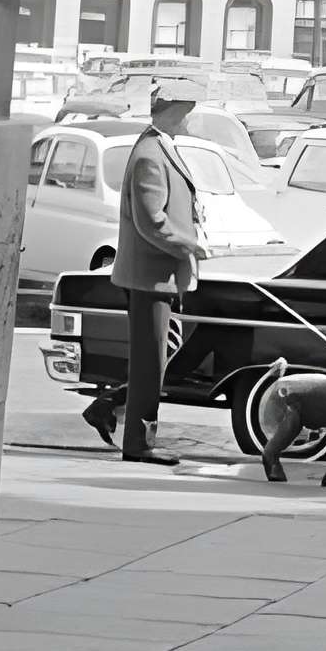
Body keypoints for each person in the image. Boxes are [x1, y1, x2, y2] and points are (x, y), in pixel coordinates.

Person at [105, 82, 210, 466]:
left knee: (161, 355)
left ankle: (109, 409)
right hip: (151, 276)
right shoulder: (150, 152)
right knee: (151, 364)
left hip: (159, 275)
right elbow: (152, 221)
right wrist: (187, 244)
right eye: (189, 109)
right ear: (174, 111)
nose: (192, 117)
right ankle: (138, 443)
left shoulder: (159, 144)